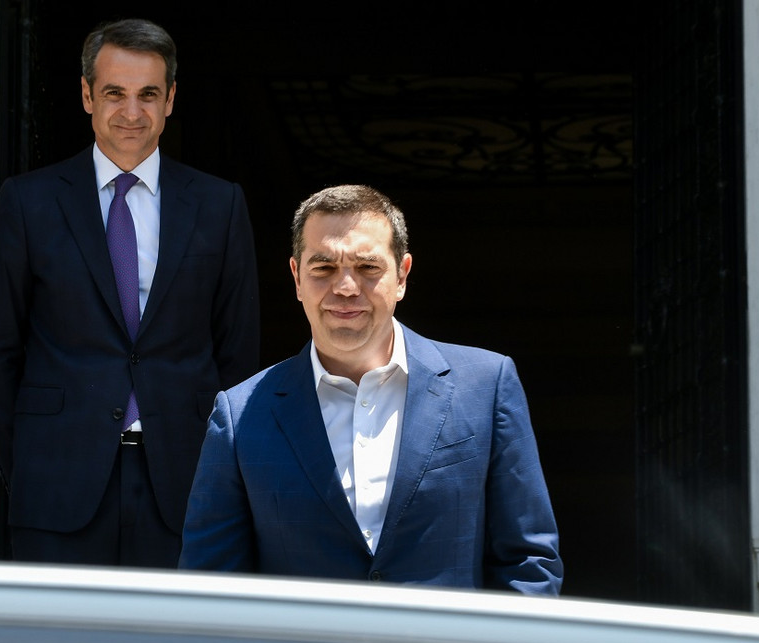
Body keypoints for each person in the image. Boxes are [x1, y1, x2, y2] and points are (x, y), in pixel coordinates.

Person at [0, 18, 259, 567]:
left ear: (170, 99)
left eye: (148, 94)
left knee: (179, 626)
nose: (132, 112)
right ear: (86, 96)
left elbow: (238, 356)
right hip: (57, 485)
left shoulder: (219, 206)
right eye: (114, 94)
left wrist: (221, 471)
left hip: (186, 484)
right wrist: (29, 464)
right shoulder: (28, 203)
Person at [180, 185, 562, 594]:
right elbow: (211, 588)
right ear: (296, 277)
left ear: (402, 275)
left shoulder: (486, 386)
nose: (346, 287)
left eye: (367, 267)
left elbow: (528, 564)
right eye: (323, 267)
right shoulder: (240, 416)